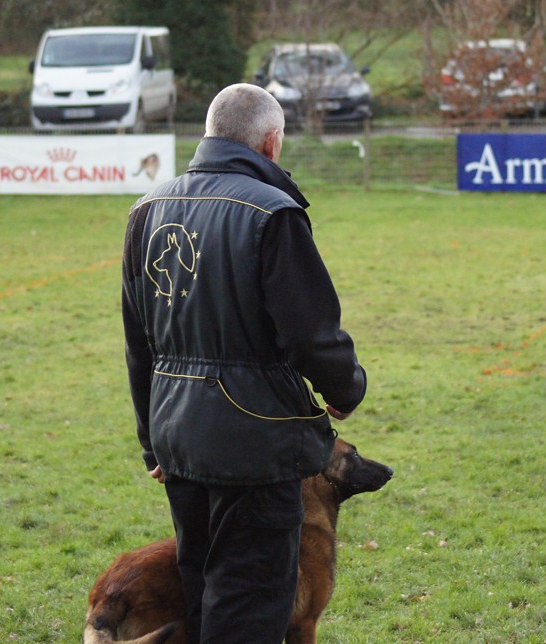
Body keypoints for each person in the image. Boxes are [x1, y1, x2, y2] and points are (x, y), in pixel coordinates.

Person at [121, 83, 367, 643]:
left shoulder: (145, 211)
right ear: (272, 142)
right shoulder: (273, 213)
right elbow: (312, 334)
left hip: (177, 435)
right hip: (255, 444)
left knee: (203, 585)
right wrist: (347, 388)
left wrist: (151, 442)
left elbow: (139, 345)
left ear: (208, 135)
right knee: (251, 601)